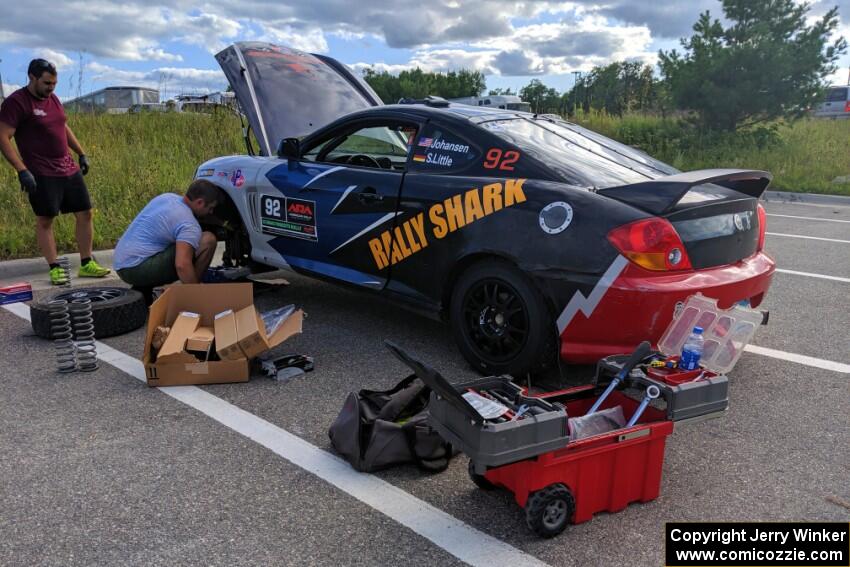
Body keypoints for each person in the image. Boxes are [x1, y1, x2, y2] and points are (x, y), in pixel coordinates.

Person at [0, 58, 110, 284]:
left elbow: (63, 125)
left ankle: (87, 262)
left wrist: (81, 153)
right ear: (32, 77)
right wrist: (21, 170)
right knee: (45, 219)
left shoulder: (53, 99)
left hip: (67, 167)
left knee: (85, 213)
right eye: (47, 83)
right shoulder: (17, 102)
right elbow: (3, 137)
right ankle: (54, 267)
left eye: (54, 84)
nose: (51, 88)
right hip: (40, 171)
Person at [113, 179, 220, 298]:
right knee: (208, 240)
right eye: (210, 207)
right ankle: (191, 293)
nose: (211, 212)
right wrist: (199, 296)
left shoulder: (167, 197)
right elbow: (182, 265)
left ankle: (143, 291)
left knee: (179, 244)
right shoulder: (188, 224)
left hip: (121, 262)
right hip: (134, 268)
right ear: (200, 202)